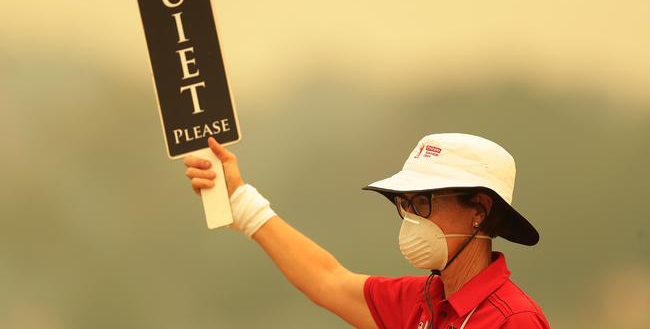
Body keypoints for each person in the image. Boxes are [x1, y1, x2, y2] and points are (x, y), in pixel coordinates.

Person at [184, 133, 550, 328]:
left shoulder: (513, 320)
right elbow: (326, 280)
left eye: (423, 202)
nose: (412, 217)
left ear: (479, 212)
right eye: (404, 204)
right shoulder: (419, 302)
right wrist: (242, 202)